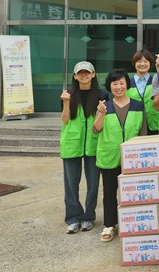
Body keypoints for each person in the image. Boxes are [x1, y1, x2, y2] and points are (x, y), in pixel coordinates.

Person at [92, 69, 146, 243]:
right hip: (109, 156)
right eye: (114, 83)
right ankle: (110, 224)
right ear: (110, 86)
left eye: (122, 83)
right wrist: (101, 114)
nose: (119, 87)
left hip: (133, 158)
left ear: (127, 85)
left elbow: (143, 132)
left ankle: (135, 223)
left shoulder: (138, 105)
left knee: (134, 193)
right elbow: (95, 129)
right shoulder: (104, 106)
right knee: (109, 192)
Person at [60, 61, 108, 234]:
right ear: (74, 76)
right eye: (80, 73)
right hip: (72, 143)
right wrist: (66, 103)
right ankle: (73, 218)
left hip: (94, 144)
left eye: (87, 72)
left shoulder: (102, 95)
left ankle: (88, 217)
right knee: (71, 184)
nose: (84, 75)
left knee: (93, 184)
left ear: (93, 74)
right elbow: (65, 120)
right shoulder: (68, 95)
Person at [127, 50, 159, 135]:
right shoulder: (127, 83)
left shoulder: (155, 81)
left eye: (146, 61)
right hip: (134, 124)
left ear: (150, 63)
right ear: (134, 63)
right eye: (139, 61)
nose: (142, 64)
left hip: (154, 125)